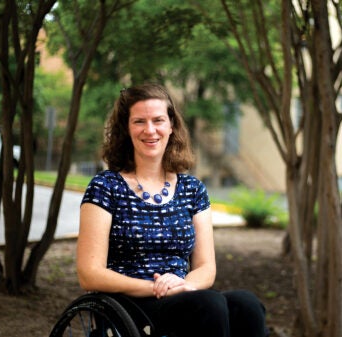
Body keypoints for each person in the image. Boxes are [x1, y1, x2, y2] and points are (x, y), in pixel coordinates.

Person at [76, 83, 268, 337]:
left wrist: (184, 286)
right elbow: (89, 274)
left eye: (158, 120)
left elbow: (206, 268)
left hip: (181, 298)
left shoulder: (192, 189)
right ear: (126, 128)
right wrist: (155, 287)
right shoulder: (106, 187)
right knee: (208, 305)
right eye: (139, 121)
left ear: (171, 126)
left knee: (246, 304)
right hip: (127, 305)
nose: (150, 130)